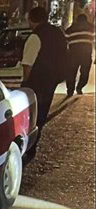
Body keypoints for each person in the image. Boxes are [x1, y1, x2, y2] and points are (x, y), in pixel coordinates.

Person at [21, 7, 68, 161]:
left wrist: (25, 83)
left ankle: (28, 146)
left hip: (37, 81)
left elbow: (28, 64)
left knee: (31, 115)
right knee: (41, 114)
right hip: (51, 80)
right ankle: (33, 145)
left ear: (32, 20)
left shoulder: (35, 37)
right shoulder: (58, 33)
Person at [65, 14, 95, 96]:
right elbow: (94, 41)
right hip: (86, 55)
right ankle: (79, 88)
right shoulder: (91, 28)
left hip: (73, 55)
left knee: (71, 73)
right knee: (84, 73)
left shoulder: (70, 29)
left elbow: (65, 42)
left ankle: (70, 90)